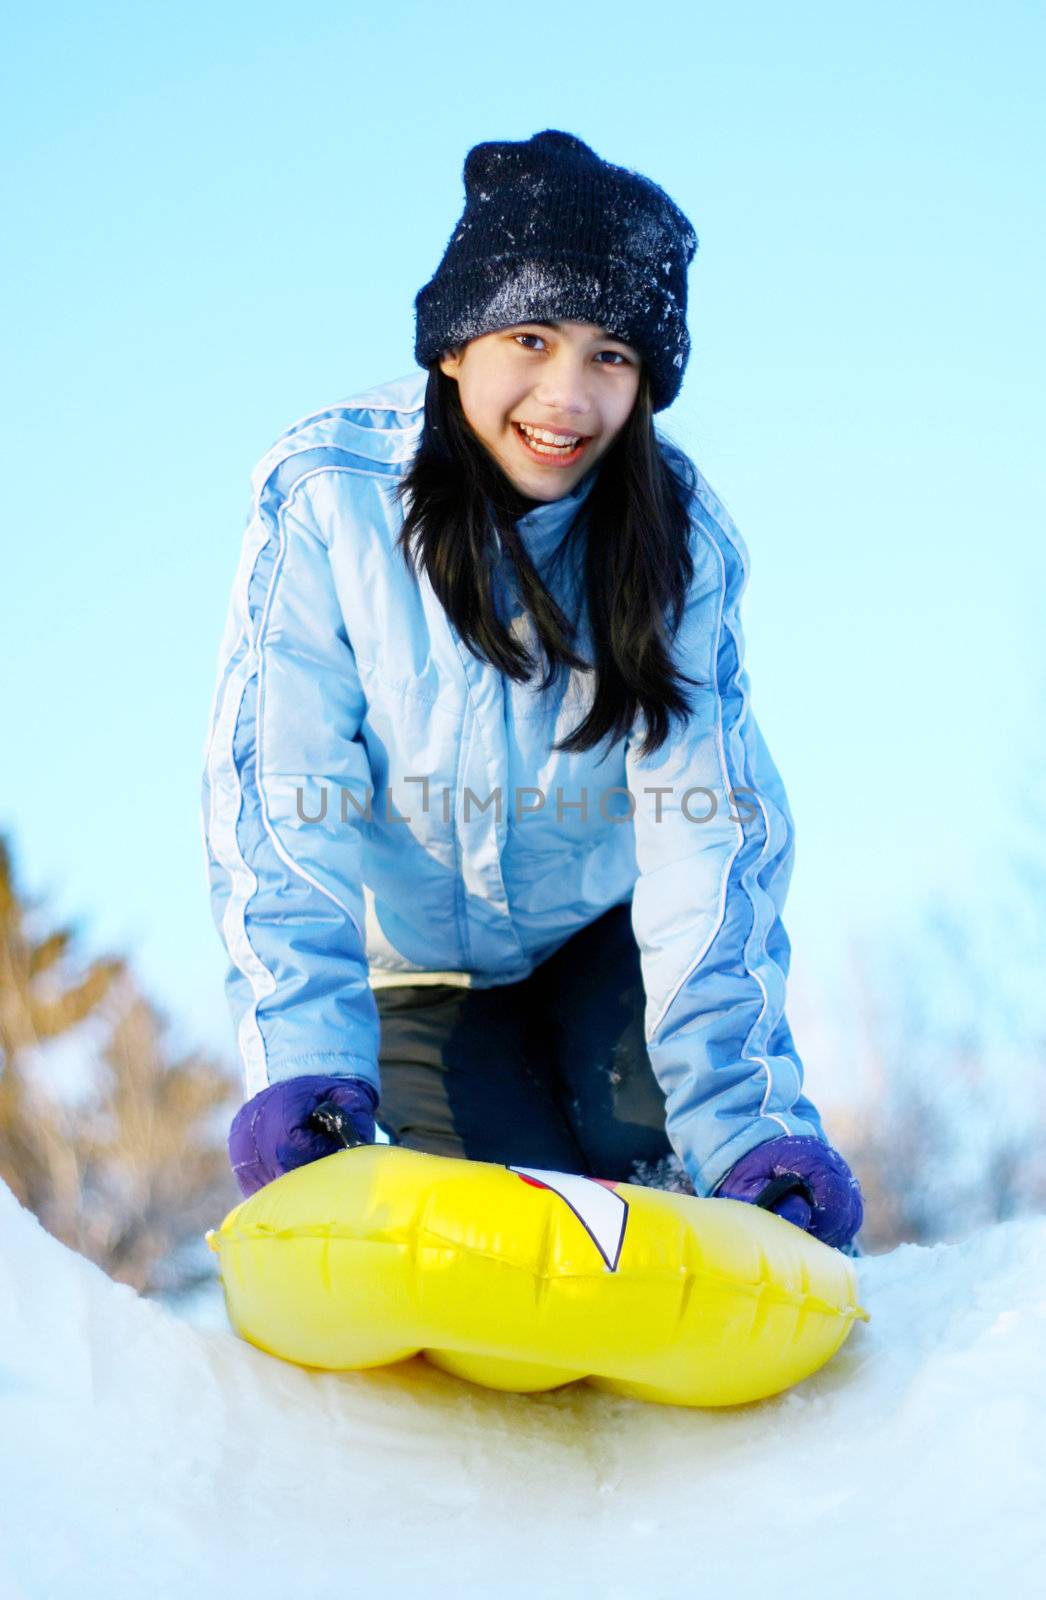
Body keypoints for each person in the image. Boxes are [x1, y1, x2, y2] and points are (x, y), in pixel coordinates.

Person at [201, 128, 864, 1252]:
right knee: (511, 1225)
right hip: (415, 970)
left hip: (604, 949)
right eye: (530, 336)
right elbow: (282, 795)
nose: (567, 395)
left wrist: (747, 1126)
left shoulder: (677, 546)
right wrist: (306, 1064)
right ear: (454, 345)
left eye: (611, 355)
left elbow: (708, 839)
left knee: (655, 1199)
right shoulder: (329, 499)